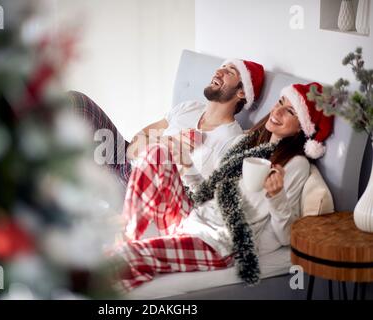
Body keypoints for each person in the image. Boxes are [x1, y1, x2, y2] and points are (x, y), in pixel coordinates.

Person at [112, 82, 334, 291]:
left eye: (291, 112)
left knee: (127, 257)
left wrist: (276, 197)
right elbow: (206, 193)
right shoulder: (244, 143)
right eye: (280, 102)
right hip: (193, 219)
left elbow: (285, 237)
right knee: (156, 153)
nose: (277, 112)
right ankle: (127, 236)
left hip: (219, 243)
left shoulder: (295, 166)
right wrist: (187, 164)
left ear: (302, 128)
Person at [68, 59, 265, 190]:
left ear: (241, 92)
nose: (219, 70)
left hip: (150, 189)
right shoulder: (189, 107)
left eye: (230, 71)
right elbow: (135, 143)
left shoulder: (231, 140)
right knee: (77, 102)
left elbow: (204, 193)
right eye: (222, 66)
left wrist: (176, 157)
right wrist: (162, 143)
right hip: (125, 163)